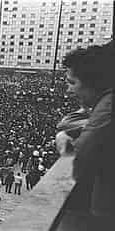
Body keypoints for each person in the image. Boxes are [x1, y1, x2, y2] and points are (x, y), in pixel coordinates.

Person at [55, 43, 114, 230]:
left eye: (72, 82)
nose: (68, 90)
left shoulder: (107, 108)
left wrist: (63, 143)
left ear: (93, 82)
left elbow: (79, 161)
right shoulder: (103, 103)